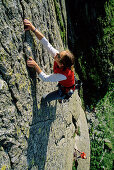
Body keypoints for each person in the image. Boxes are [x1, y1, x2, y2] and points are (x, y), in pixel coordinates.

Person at [24, 19, 75, 103]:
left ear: (61, 64)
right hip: (66, 82)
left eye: (58, 56)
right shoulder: (59, 58)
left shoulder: (63, 75)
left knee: (44, 99)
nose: (56, 54)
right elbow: (46, 43)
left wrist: (35, 65)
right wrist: (33, 28)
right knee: (60, 85)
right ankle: (62, 95)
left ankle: (62, 98)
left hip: (65, 89)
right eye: (59, 53)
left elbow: (45, 78)